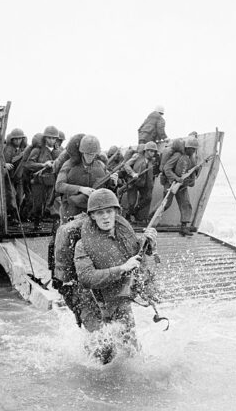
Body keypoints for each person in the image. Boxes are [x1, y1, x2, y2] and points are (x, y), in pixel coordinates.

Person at [54, 189, 157, 363]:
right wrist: (122, 268)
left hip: (117, 299)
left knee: (131, 350)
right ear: (92, 216)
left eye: (109, 211)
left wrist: (149, 249)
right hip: (90, 302)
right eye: (100, 213)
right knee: (102, 355)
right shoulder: (83, 244)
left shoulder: (127, 239)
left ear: (116, 212)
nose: (105, 217)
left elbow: (143, 272)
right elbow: (87, 278)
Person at [55, 134, 117, 221]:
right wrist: (81, 189)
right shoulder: (69, 165)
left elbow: (107, 186)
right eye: (87, 154)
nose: (90, 157)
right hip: (71, 209)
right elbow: (59, 185)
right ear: (81, 152)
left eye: (92, 154)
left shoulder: (100, 165)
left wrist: (113, 182)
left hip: (91, 210)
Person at [162, 136, 199, 236]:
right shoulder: (177, 156)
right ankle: (152, 219)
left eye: (194, 149)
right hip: (171, 183)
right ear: (187, 148)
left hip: (182, 185)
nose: (193, 151)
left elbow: (190, 171)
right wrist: (176, 178)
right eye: (192, 149)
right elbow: (167, 168)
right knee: (166, 204)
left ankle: (184, 227)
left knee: (186, 204)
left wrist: (190, 180)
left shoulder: (190, 158)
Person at [25, 126, 61, 227]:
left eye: (54, 138)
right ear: (45, 138)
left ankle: (56, 226)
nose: (52, 140)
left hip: (52, 181)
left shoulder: (59, 151)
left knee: (54, 203)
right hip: (39, 181)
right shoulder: (38, 150)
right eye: (49, 138)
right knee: (38, 204)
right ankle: (37, 223)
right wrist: (43, 165)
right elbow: (28, 164)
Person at [122, 141, 158, 224]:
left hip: (143, 184)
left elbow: (150, 175)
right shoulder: (137, 157)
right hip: (134, 183)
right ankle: (128, 216)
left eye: (154, 152)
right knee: (131, 202)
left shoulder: (151, 161)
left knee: (148, 198)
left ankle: (135, 211)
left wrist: (150, 186)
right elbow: (126, 165)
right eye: (151, 151)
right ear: (146, 151)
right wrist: (132, 173)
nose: (152, 153)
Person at [2, 128, 27, 221]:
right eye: (15, 139)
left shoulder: (24, 148)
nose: (18, 141)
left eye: (20, 139)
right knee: (11, 196)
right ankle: (13, 216)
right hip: (9, 176)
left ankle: (17, 215)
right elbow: (0, 160)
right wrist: (5, 164)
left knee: (20, 197)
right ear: (11, 140)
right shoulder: (8, 149)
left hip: (19, 177)